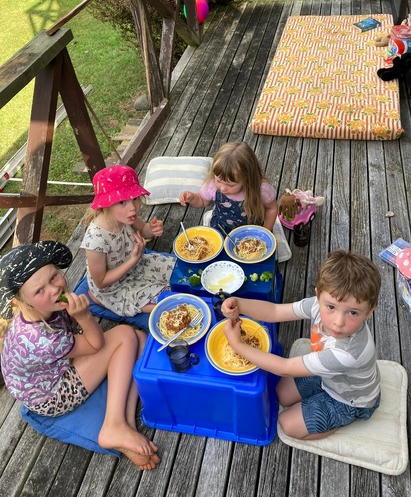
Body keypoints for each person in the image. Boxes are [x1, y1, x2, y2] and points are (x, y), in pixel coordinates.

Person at [0, 241, 159, 470]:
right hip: (52, 395)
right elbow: (96, 344)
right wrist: (84, 316)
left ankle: (125, 425)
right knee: (125, 335)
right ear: (23, 302)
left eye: (54, 277)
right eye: (39, 290)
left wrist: (74, 318)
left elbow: (73, 330)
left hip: (54, 367)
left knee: (140, 341)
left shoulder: (45, 307)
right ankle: (112, 425)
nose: (53, 289)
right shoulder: (40, 338)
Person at [221, 250, 382, 440]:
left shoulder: (347, 353)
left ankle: (346, 419)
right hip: (328, 376)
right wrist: (239, 304)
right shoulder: (317, 304)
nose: (338, 322)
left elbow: (284, 368)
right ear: (318, 296)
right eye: (331, 307)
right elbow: (274, 311)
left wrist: (237, 345)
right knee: (282, 393)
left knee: (288, 425)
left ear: (369, 311)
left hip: (349, 399)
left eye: (353, 312)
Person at [81, 165, 176, 321]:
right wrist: (132, 260)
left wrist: (152, 229)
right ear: (106, 204)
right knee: (166, 301)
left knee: (176, 270)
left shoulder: (126, 217)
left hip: (137, 265)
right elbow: (101, 282)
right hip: (113, 286)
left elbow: (143, 230)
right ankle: (101, 300)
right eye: (122, 202)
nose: (132, 207)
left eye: (135, 198)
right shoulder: (95, 240)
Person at [179, 142, 278, 235]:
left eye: (230, 185)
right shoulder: (212, 184)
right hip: (221, 228)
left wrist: (265, 231)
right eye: (218, 180)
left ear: (247, 179)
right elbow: (202, 200)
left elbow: (272, 208)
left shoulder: (261, 189)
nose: (222, 189)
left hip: (251, 231)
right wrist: (192, 198)